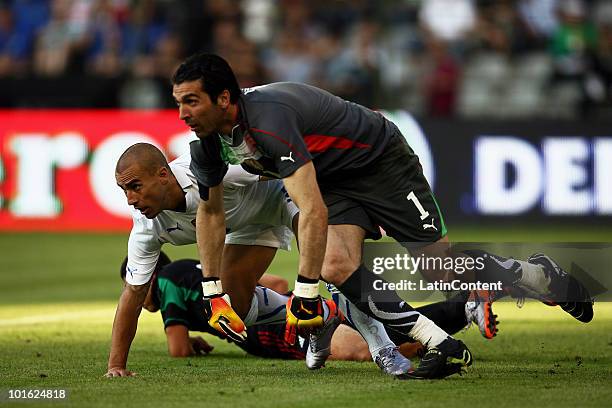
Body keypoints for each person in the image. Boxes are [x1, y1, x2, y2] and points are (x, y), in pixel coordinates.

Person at [172, 53, 593, 379]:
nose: (183, 114)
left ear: (224, 98)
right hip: (334, 178)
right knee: (337, 265)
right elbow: (210, 213)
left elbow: (311, 210)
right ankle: (436, 342)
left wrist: (305, 291)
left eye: (191, 101)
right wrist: (212, 291)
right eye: (178, 103)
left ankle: (537, 275)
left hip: (380, 162)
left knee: (440, 270)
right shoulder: (208, 143)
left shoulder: (270, 123)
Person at [107, 143, 417, 378]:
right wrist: (116, 365)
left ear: (163, 175)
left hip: (282, 195)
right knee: (234, 306)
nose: (130, 199)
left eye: (135, 186)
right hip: (248, 226)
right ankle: (323, 314)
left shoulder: (214, 169)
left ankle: (383, 348)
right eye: (124, 190)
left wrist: (341, 203)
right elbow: (133, 295)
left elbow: (287, 161)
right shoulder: (146, 227)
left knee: (330, 264)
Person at [127, 255, 499, 366]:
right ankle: (463, 310)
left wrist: (190, 339)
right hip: (287, 306)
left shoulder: (166, 284)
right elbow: (270, 282)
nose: (137, 296)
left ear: (147, 277)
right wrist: (292, 300)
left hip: (268, 331)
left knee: (355, 348)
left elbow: (176, 349)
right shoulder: (194, 266)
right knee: (373, 328)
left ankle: (436, 336)